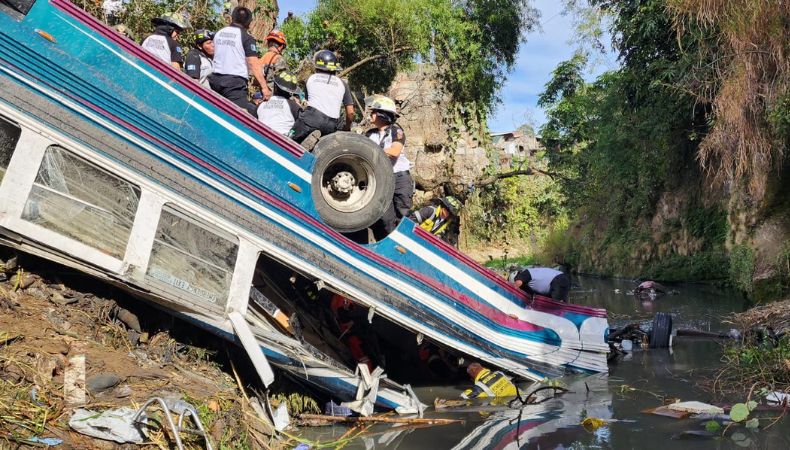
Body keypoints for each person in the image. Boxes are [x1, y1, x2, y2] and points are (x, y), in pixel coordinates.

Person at [366, 96, 414, 240]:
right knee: (384, 218)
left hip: (400, 178)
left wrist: (369, 148)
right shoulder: (369, 134)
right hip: (381, 179)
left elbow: (394, 152)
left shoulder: (396, 131)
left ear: (382, 114)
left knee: (403, 216)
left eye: (373, 111)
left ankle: (402, 247)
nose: (371, 115)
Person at [209, 7, 267, 115]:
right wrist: (264, 87)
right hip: (234, 84)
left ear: (232, 18)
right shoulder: (247, 38)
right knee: (239, 117)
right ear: (249, 22)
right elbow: (253, 64)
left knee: (215, 112)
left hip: (215, 80)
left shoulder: (218, 33)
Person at [291, 50, 354, 145]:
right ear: (335, 69)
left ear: (317, 67)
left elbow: (308, 102)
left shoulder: (311, 79)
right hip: (331, 125)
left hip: (311, 119)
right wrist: (347, 127)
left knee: (289, 141)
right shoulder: (343, 84)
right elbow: (350, 112)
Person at [259, 30, 288, 94]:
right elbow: (284, 83)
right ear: (281, 47)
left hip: (260, 96)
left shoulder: (261, 58)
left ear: (268, 44)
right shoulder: (278, 59)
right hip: (273, 97)